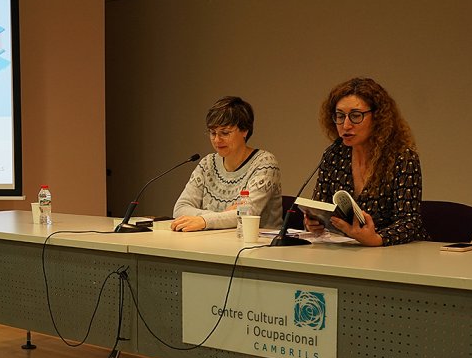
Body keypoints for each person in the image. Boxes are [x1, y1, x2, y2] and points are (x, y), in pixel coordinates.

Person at [303, 77, 428, 246]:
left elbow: (410, 222)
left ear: (377, 117)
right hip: (346, 250)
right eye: (340, 116)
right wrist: (314, 223)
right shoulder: (334, 154)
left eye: (355, 116)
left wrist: (377, 239)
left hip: (395, 252)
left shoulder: (402, 157)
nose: (346, 125)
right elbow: (320, 206)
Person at [171, 96, 282, 232]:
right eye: (212, 132)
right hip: (213, 243)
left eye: (224, 132)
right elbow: (180, 209)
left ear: (244, 131)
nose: (217, 140)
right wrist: (219, 216)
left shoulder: (265, 163)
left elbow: (247, 215)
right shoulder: (207, 164)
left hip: (257, 246)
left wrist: (204, 220)